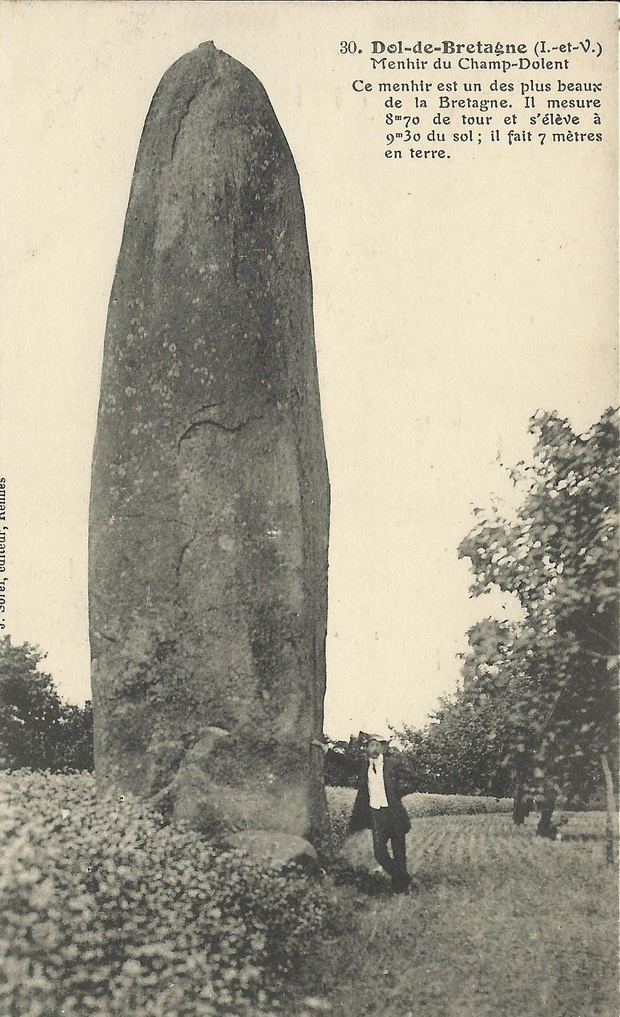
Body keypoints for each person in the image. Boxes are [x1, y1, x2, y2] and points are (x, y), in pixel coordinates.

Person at [313, 732, 413, 893]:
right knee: (380, 853)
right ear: (367, 749)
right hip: (376, 814)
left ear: (383, 748)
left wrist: (398, 794)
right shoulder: (364, 765)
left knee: (399, 852)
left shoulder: (392, 764)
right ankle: (404, 878)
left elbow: (410, 779)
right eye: (371, 745)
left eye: (378, 745)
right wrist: (327, 750)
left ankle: (401, 889)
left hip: (394, 813)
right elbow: (345, 762)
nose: (375, 748)